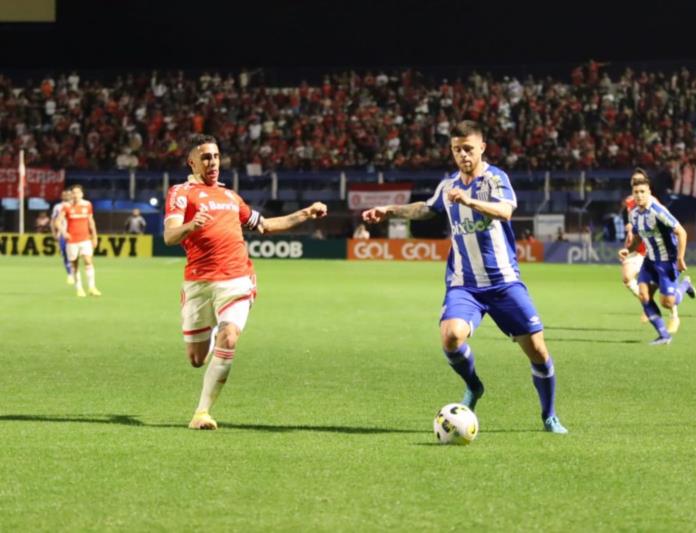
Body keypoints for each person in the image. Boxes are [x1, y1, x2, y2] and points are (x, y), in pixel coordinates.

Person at [362, 120, 567, 434]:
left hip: (504, 282)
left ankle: (549, 415)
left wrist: (470, 201)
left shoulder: (496, 178)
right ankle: (474, 387)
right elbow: (426, 208)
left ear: (482, 147)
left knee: (538, 350)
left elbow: (506, 211)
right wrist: (389, 210)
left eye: (468, 149)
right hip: (464, 284)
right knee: (451, 337)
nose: (463, 155)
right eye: (457, 150)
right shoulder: (448, 186)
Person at [164, 134, 327, 430]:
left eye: (215, 156)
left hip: (237, 279)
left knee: (229, 337)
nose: (213, 162)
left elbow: (264, 225)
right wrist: (191, 225)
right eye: (205, 157)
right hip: (199, 283)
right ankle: (213, 331)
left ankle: (202, 413)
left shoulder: (230, 197)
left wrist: (305, 213)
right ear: (192, 162)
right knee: (196, 359)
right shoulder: (181, 193)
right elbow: (169, 236)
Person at [618, 172, 696, 344]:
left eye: (642, 192)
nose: (638, 195)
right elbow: (638, 237)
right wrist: (628, 249)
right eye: (636, 192)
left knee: (668, 302)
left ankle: (685, 284)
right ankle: (663, 335)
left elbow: (681, 232)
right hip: (650, 260)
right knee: (644, 296)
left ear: (649, 192)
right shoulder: (634, 214)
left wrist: (680, 258)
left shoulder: (658, 211)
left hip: (667, 261)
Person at [56, 185, 101, 297]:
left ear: (82, 194)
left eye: (78, 193)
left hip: (85, 239)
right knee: (74, 265)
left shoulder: (87, 205)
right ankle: (79, 289)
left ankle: (92, 287)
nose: (75, 195)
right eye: (73, 193)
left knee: (88, 261)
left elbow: (91, 221)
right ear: (71, 195)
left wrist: (95, 236)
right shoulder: (66, 207)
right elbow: (57, 222)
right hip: (72, 241)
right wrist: (64, 232)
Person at [50, 189, 74, 284]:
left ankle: (74, 271)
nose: (66, 196)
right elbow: (53, 220)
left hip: (74, 232)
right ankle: (69, 274)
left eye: (68, 194)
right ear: (61, 196)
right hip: (63, 233)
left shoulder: (76, 205)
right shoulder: (58, 207)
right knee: (65, 253)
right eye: (64, 194)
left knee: (74, 254)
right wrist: (54, 232)